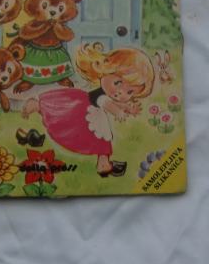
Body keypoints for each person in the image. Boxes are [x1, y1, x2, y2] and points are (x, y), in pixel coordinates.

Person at [22, 43, 155, 177]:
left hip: (94, 116)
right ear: (106, 70)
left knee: (102, 140)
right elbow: (107, 103)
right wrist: (118, 112)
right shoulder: (101, 96)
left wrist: (127, 108)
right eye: (117, 83)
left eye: (129, 92)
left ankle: (103, 164)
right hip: (82, 111)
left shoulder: (109, 95)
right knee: (61, 114)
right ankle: (36, 105)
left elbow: (115, 102)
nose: (120, 92)